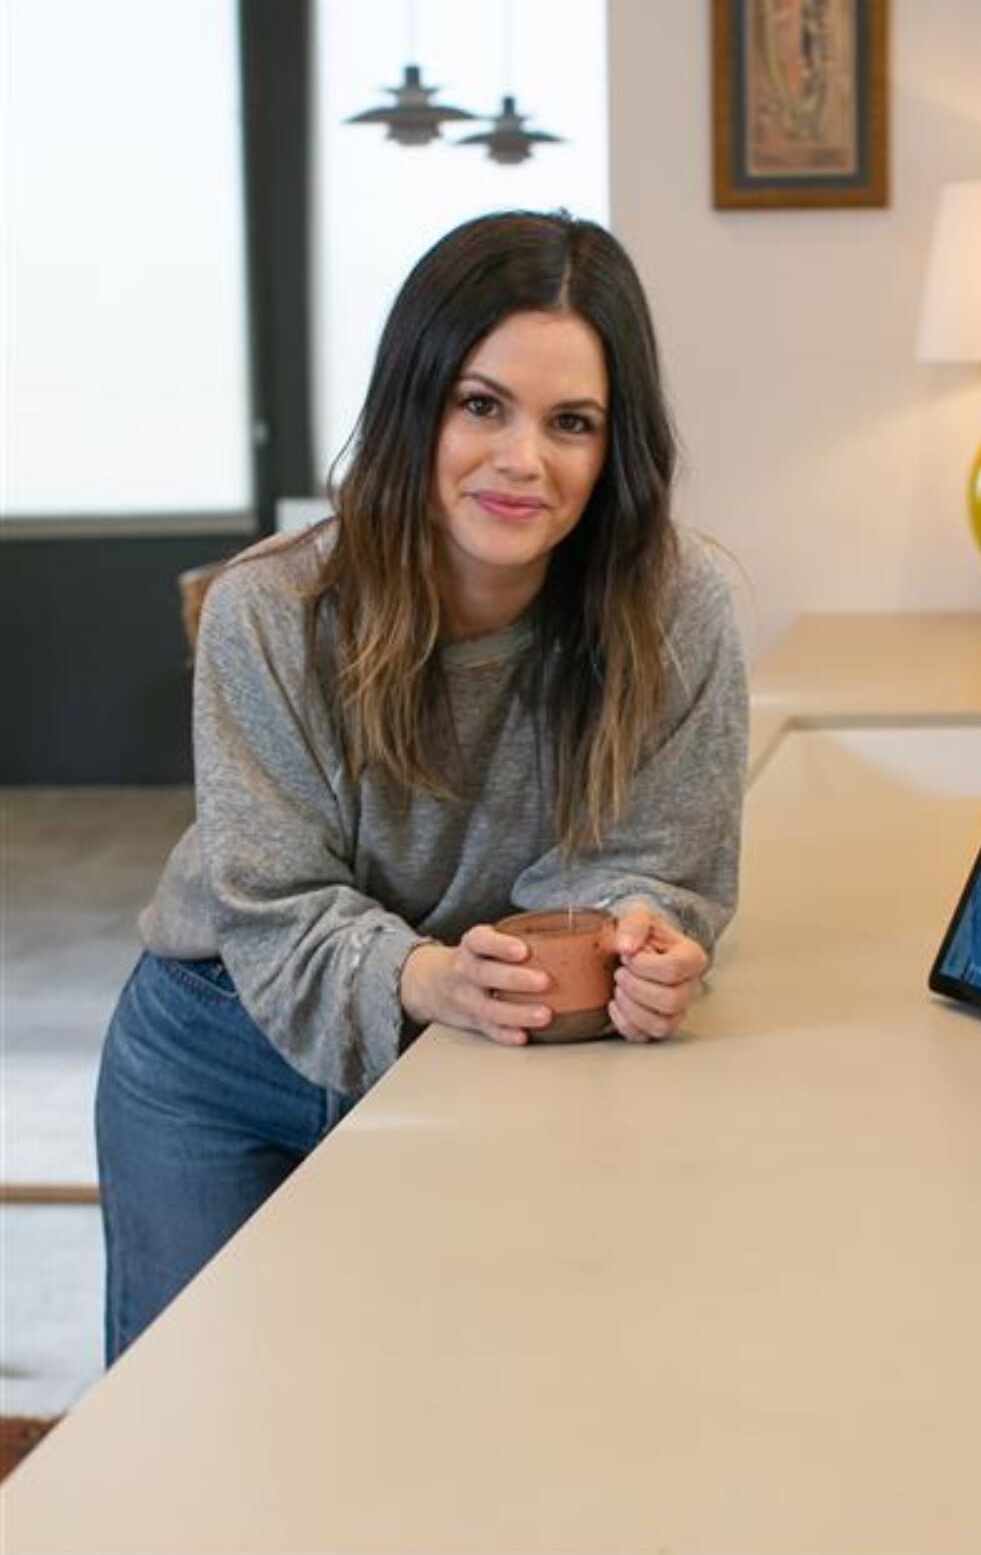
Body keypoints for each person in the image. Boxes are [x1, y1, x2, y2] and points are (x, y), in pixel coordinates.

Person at [95, 209, 749, 1363]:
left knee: (449, 1393)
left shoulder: (676, 606)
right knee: (190, 1404)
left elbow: (654, 857)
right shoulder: (271, 609)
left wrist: (643, 943)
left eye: (572, 422)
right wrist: (427, 975)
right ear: (414, 403)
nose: (523, 460)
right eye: (480, 404)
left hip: (482, 1048)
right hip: (215, 1054)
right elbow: (275, 899)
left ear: (617, 446)